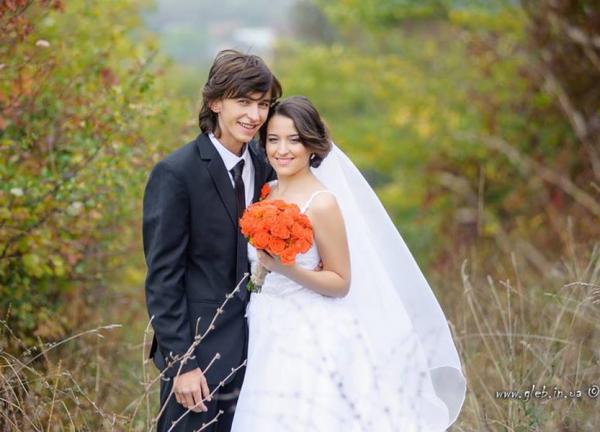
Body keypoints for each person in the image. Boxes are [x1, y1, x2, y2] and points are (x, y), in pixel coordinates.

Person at [231, 96, 466, 431]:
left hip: (308, 331)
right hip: (265, 324)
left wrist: (287, 269)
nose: (282, 150)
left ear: (311, 145)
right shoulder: (267, 191)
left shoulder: (322, 203)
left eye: (294, 140)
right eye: (273, 139)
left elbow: (340, 281)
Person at [142, 49, 281, 431]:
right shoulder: (176, 173)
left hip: (261, 354)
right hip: (199, 360)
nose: (254, 115)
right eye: (243, 102)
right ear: (215, 102)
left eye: (263, 104)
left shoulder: (268, 166)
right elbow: (163, 278)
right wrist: (182, 364)